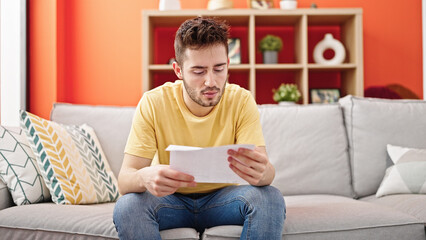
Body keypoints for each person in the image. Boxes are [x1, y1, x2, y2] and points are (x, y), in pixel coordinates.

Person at [113, 16, 286, 240]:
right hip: (170, 201)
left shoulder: (241, 100)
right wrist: (144, 177)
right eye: (198, 71)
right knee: (128, 206)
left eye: (219, 69)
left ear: (228, 65)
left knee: (270, 197)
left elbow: (265, 173)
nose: (211, 82)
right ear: (178, 70)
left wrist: (264, 172)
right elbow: (125, 179)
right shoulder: (153, 102)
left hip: (225, 200)